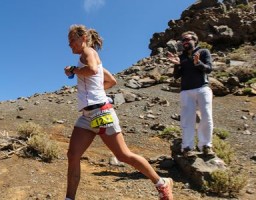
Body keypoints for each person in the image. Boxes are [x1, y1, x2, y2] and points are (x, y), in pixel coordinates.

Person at [64, 24, 173, 200]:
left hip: (101, 112)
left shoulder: (88, 52)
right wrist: (96, 89)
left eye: (72, 40)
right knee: (73, 155)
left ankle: (162, 183)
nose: (70, 44)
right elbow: (111, 80)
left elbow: (91, 70)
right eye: (68, 41)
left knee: (123, 155)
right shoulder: (89, 57)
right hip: (87, 115)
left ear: (83, 38)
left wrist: (74, 70)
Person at [167, 31, 214, 157]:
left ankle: (205, 145)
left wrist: (198, 63)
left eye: (187, 39)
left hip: (202, 88)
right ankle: (187, 147)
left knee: (207, 116)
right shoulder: (181, 57)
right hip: (186, 91)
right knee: (187, 119)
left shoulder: (203, 52)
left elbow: (209, 68)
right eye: (183, 40)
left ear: (195, 40)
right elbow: (176, 76)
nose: (185, 42)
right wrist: (177, 65)